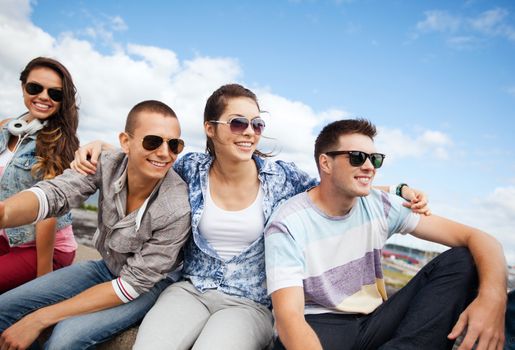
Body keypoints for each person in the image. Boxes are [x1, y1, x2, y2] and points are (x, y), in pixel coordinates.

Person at [71, 84, 429, 350]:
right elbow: (146, 155)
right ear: (210, 128)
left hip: (250, 304)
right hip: (191, 291)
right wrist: (101, 145)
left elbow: (335, 184)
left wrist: (396, 190)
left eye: (256, 124)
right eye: (238, 123)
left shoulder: (283, 178)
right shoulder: (191, 167)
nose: (249, 133)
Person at [264, 119, 507, 350]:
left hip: (374, 320)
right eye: (357, 158)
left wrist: (494, 299)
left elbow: (479, 238)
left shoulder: (380, 204)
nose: (369, 167)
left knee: (462, 260)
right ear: (326, 163)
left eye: (375, 159)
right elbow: (290, 318)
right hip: (319, 325)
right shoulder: (288, 222)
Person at [0, 100, 191, 349]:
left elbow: (133, 284)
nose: (165, 153)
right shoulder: (107, 164)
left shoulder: (176, 207)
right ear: (125, 142)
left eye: (174, 144)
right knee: (5, 307)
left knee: (63, 340)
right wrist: (5, 213)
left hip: (147, 287)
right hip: (106, 267)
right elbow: (57, 193)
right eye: (152, 141)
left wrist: (39, 318)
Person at [0, 57, 80, 292]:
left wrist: (42, 281)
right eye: (35, 88)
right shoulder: (5, 128)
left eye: (55, 93)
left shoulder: (60, 144)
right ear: (23, 87)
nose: (44, 97)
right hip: (7, 239)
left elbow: (48, 212)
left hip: (45, 250)